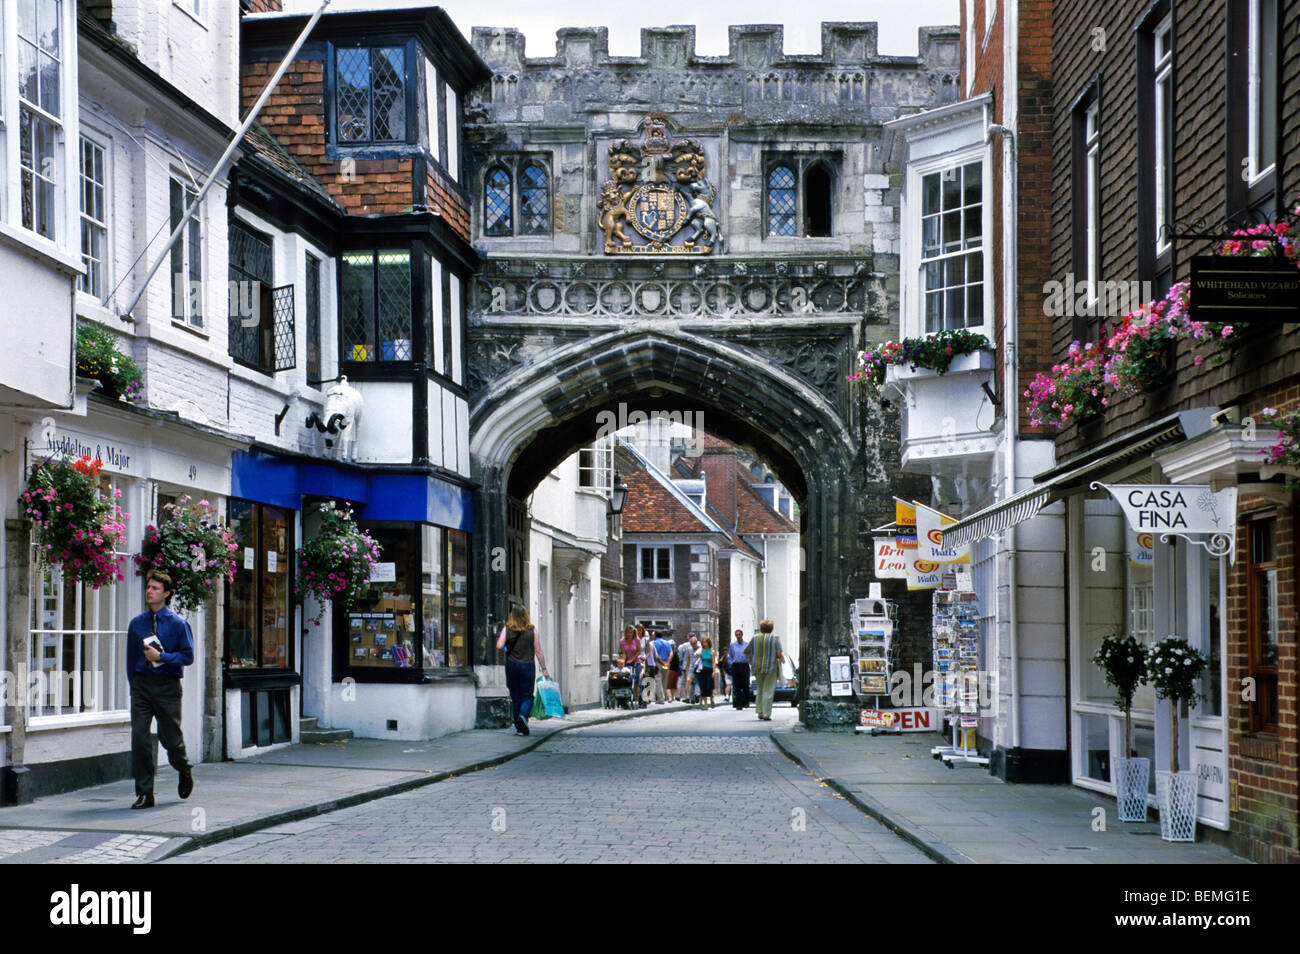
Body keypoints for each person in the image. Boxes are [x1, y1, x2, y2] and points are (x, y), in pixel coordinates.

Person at [127, 571, 195, 809]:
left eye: (155, 588)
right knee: (140, 737)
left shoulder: (178, 624)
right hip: (142, 686)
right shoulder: (137, 624)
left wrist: (162, 656)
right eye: (148, 587)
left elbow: (188, 656)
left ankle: (183, 767)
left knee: (170, 738)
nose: (149, 591)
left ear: (166, 594)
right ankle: (145, 793)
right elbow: (130, 659)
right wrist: (133, 686)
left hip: (167, 686)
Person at [496, 605, 549, 736]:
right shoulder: (532, 630)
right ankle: (523, 716)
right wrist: (544, 669)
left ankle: (519, 727)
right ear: (526, 615)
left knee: (515, 696)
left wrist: (508, 648)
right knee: (527, 695)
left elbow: (499, 645)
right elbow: (538, 651)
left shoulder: (507, 629)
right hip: (527, 666)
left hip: (512, 665)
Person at [746, 619, 785, 721]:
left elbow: (746, 650)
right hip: (771, 668)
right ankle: (766, 713)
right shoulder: (775, 638)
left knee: (760, 689)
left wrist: (751, 658)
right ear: (771, 628)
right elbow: (779, 654)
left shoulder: (755, 638)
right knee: (768, 691)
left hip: (757, 667)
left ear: (761, 628)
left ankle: (759, 711)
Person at [728, 629, 751, 710]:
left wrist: (749, 661)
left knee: (745, 685)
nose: (738, 636)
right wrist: (731, 663)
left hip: (744, 665)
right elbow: (730, 655)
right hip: (736, 665)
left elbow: (750, 654)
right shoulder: (733, 645)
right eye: (736, 634)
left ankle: (746, 702)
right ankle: (738, 703)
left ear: (742, 635)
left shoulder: (746, 644)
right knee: (736, 685)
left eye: (739, 634)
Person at [650, 631, 673, 703]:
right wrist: (667, 662)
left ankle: (660, 698)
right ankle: (665, 697)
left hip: (658, 663)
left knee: (657, 680)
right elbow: (671, 653)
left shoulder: (654, 643)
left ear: (655, 636)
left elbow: (656, 655)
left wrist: (662, 663)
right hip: (666, 664)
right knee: (665, 680)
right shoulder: (667, 643)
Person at [676, 635, 697, 703]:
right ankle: (690, 697)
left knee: (686, 682)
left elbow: (680, 657)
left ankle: (686, 696)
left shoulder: (683, 646)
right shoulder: (692, 647)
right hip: (692, 667)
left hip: (687, 667)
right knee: (690, 682)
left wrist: (681, 665)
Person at [698, 636, 716, 708]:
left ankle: (711, 698)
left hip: (709, 669)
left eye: (705, 642)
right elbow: (699, 661)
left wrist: (714, 671)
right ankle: (705, 704)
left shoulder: (712, 651)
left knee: (709, 686)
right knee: (703, 686)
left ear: (709, 643)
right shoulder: (701, 651)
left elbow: (713, 662)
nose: (704, 644)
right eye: (703, 642)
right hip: (702, 670)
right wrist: (699, 656)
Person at [666, 637, 681, 701]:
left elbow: (669, 662)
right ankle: (672, 697)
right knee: (673, 685)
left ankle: (669, 697)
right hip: (676, 671)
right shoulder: (676, 653)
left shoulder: (671, 653)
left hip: (671, 670)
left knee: (667, 685)